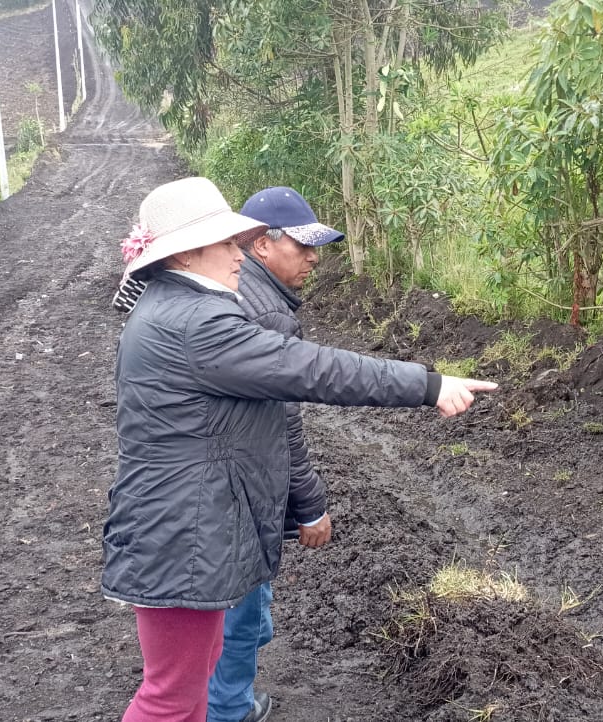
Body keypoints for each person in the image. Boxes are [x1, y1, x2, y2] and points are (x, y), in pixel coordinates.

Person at [101, 176, 496, 722]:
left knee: (192, 681)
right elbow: (312, 369)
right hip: (182, 535)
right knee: (169, 697)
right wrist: (427, 385)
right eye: (226, 243)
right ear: (186, 254)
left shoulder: (175, 306)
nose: (237, 254)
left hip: (182, 526)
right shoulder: (197, 322)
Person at [206, 187, 343, 722]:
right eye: (303, 246)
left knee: (238, 604)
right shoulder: (267, 314)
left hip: (218, 475)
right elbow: (283, 421)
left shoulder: (234, 290)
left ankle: (216, 694)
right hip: (240, 484)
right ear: (263, 243)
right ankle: (228, 708)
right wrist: (309, 505)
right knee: (242, 609)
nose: (314, 258)